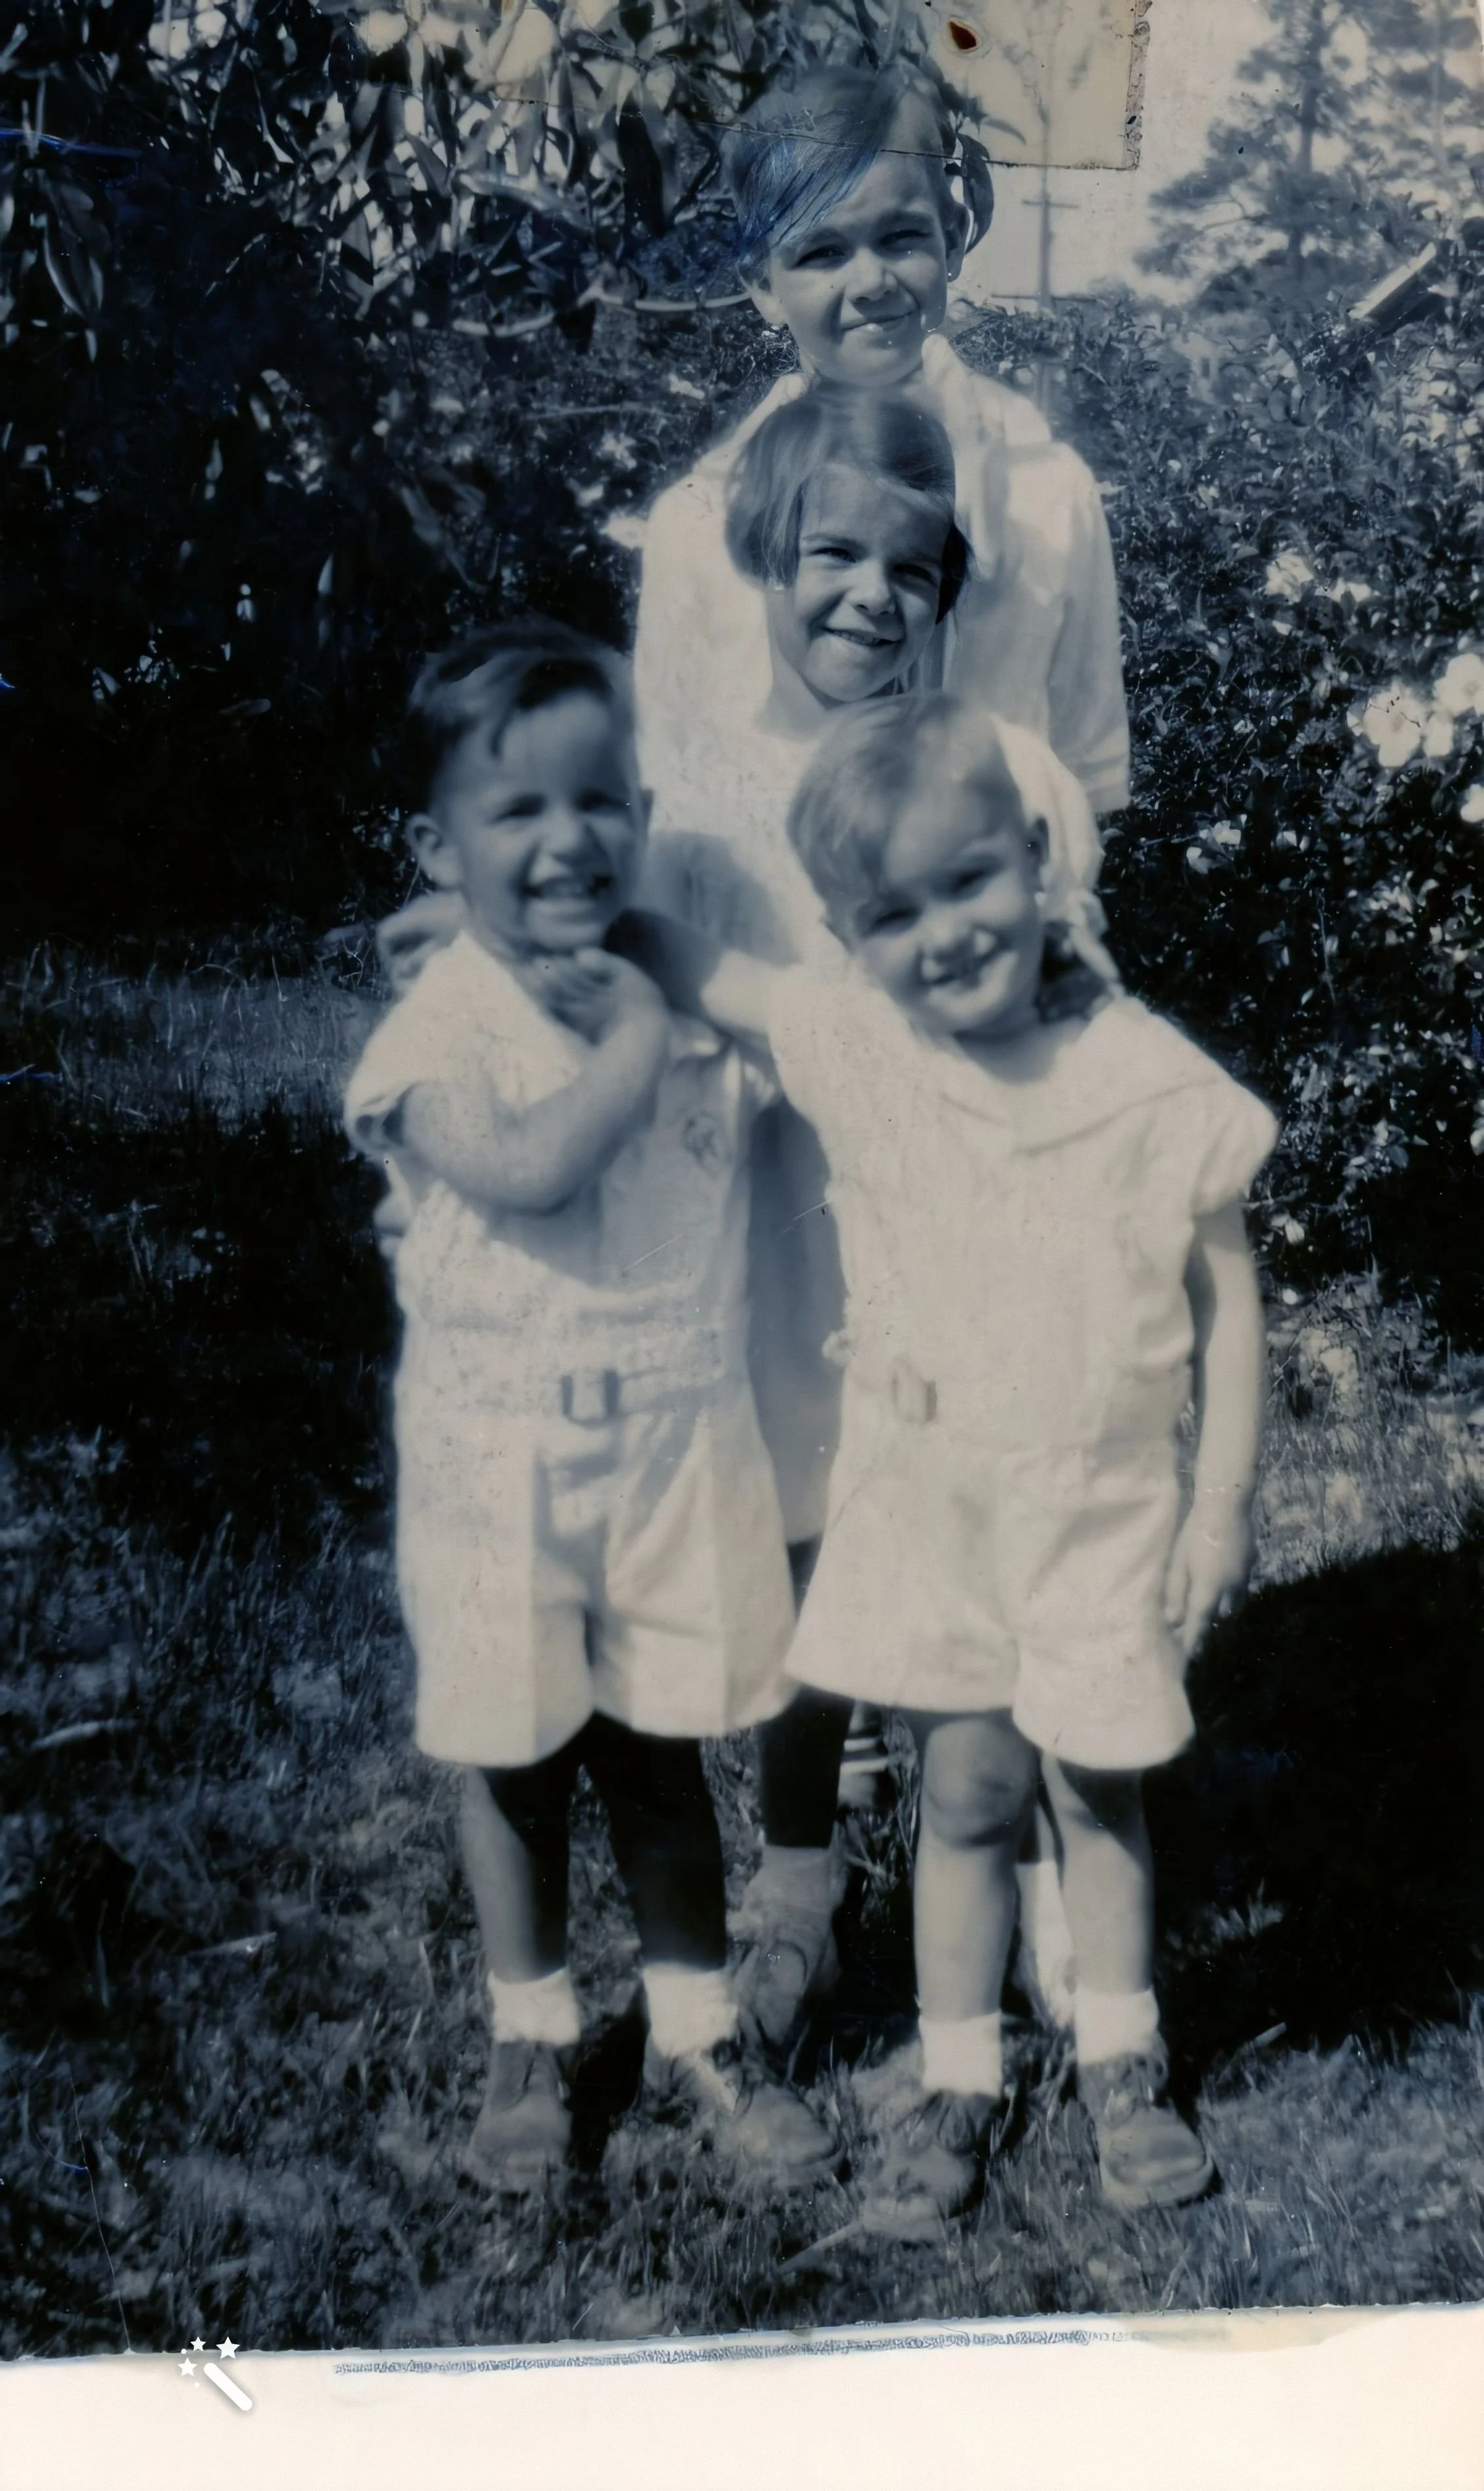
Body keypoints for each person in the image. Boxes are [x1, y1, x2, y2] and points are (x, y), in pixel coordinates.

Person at [632, 55, 1127, 2034]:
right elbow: (681, 828)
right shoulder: (701, 526)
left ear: (962, 233)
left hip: (993, 1076)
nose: (868, 278)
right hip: (776, 1077)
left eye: (901, 232)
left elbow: (1081, 778)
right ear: (761, 284)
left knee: (1002, 1448)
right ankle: (811, 1861)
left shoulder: (1045, 494)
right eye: (818, 248)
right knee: (800, 1460)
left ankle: (1020, 1869)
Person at [685, 694, 1274, 2229]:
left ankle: (1118, 2059)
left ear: (1033, 857)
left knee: (1095, 1787)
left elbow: (1228, 1288)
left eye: (967, 884)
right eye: (891, 915)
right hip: (934, 1503)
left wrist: (1217, 1504)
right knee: (960, 1790)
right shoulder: (869, 1055)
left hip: (1098, 1510)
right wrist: (535, 921)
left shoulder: (1141, 1074)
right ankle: (957, 2074)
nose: (941, 934)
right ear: (848, 937)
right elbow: (718, 977)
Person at [344, 619, 839, 2197]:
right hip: (504, 1460)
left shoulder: (672, 980)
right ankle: (531, 2033)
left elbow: (829, 1041)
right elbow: (533, 1172)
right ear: (439, 845)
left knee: (658, 1752)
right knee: (514, 1757)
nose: (570, 842)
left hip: (674, 1441)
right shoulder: (439, 1032)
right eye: (517, 814)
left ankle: (695, 2028)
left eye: (603, 802)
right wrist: (640, 1030)